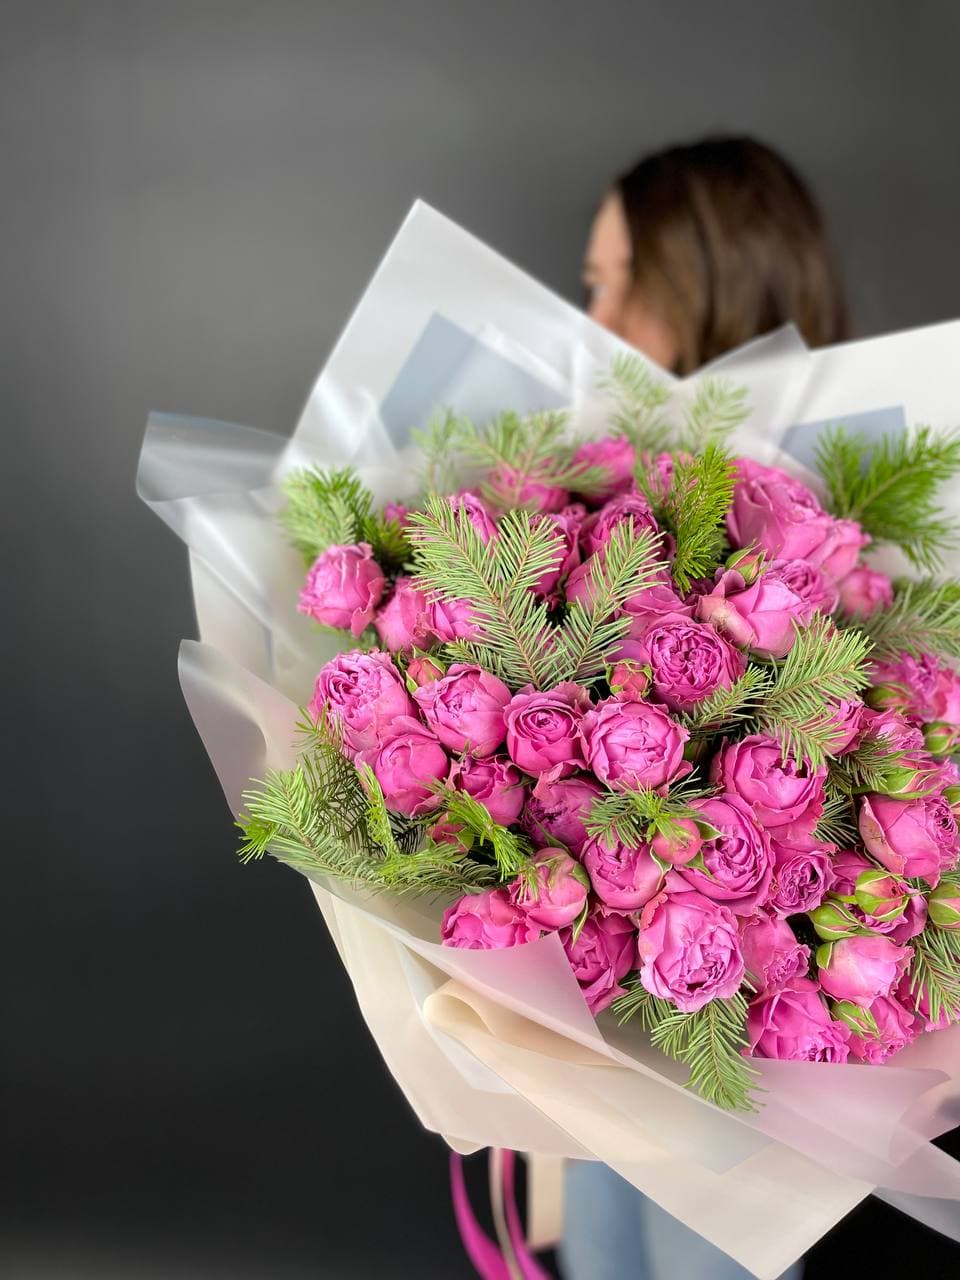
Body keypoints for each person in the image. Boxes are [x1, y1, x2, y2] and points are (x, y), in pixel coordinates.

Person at [561, 135, 850, 1280]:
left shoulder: (843, 533)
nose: (594, 320)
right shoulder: (593, 508)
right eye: (590, 284)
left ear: (713, 280)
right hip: (610, 1041)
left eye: (624, 283)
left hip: (746, 1056)